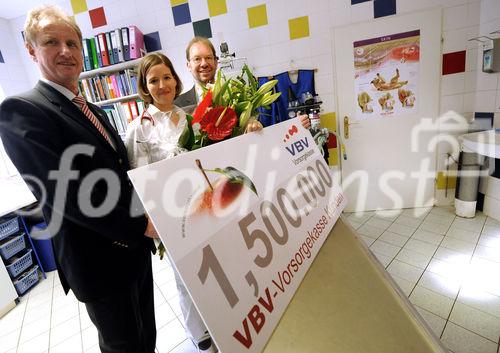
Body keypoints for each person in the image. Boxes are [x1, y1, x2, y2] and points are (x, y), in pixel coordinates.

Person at [0, 6, 158, 353]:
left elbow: (118, 170)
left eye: (72, 42)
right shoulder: (22, 110)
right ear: (31, 49)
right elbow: (65, 193)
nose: (66, 51)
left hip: (134, 249)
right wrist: (141, 225)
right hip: (99, 261)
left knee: (146, 339)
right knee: (125, 346)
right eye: (51, 42)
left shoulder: (94, 109)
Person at [175, 36, 311, 129]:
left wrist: (295, 127)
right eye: (197, 59)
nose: (204, 63)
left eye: (208, 58)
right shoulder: (178, 106)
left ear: (216, 62)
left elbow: (262, 129)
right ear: (188, 65)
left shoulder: (239, 95)